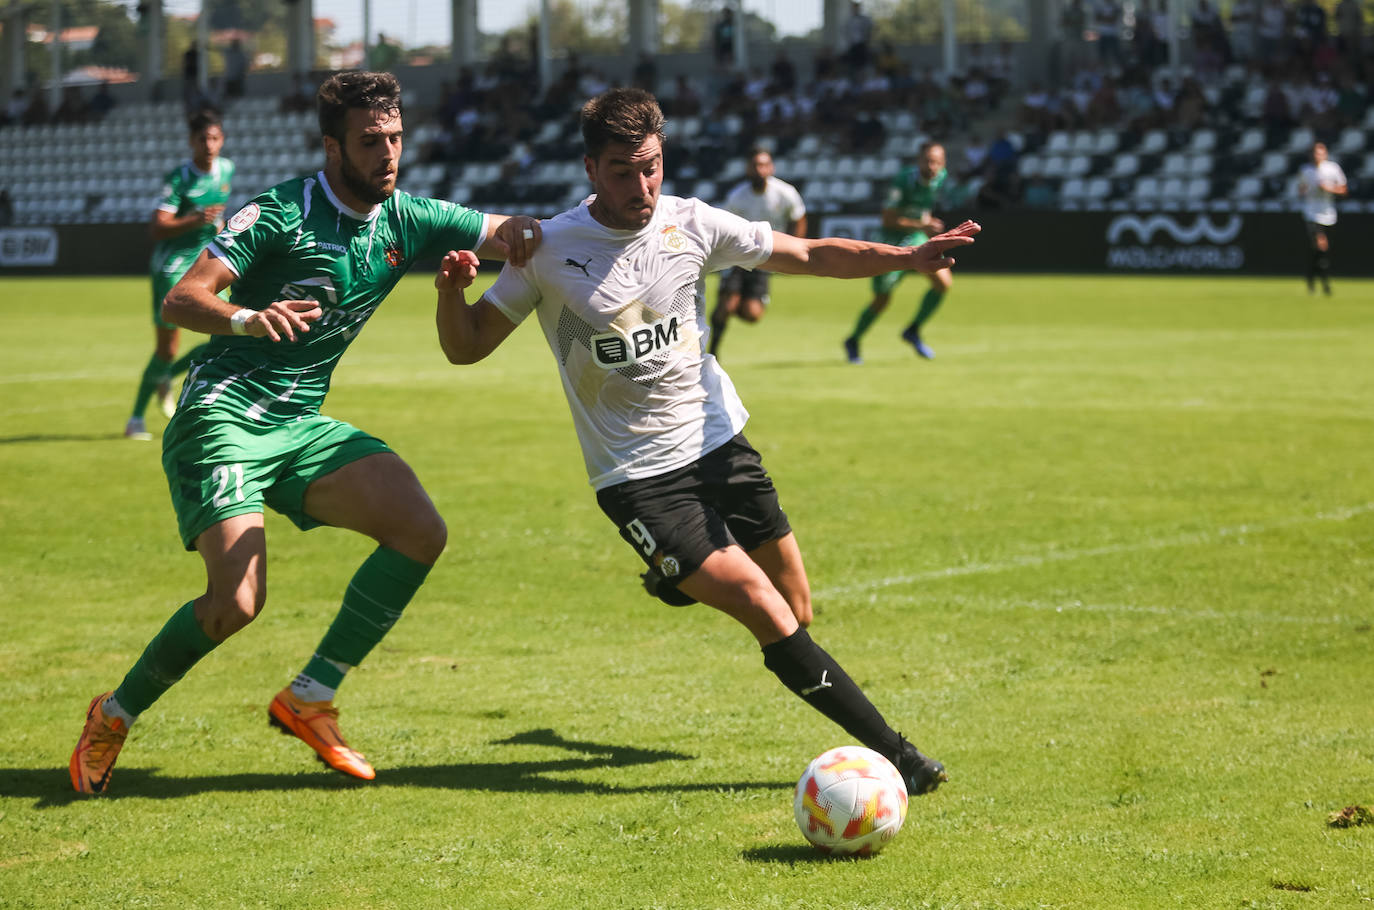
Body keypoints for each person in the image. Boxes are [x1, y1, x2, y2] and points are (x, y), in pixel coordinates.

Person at [430, 88, 979, 797]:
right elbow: (467, 346)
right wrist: (450, 294)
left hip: (720, 443)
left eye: (652, 166)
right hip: (636, 477)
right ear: (591, 168)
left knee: (797, 611)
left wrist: (905, 256)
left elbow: (808, 253)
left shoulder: (692, 225)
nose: (642, 186)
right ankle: (898, 758)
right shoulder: (548, 249)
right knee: (763, 607)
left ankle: (671, 575)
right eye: (623, 171)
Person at [69, 71, 541, 795]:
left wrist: (563, 233)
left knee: (420, 530)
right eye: (369, 142)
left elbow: (508, 236)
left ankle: (311, 695)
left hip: (297, 425)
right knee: (237, 603)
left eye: (394, 138)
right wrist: (246, 318)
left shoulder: (408, 217)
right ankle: (116, 712)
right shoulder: (277, 213)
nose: (387, 155)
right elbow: (182, 297)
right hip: (222, 415)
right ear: (332, 147)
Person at [125, 107, 236, 441]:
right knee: (168, 348)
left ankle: (169, 377)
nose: (209, 144)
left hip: (205, 263)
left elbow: (215, 218)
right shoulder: (179, 178)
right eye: (203, 138)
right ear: (191, 141)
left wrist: (220, 227)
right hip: (171, 266)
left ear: (222, 140)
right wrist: (195, 219)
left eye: (215, 138)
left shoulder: (227, 169)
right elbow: (157, 228)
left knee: (227, 335)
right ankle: (135, 420)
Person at [843, 142, 955, 364]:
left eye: (937, 162)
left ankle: (912, 330)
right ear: (918, 160)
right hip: (890, 239)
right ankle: (853, 340)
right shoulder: (903, 181)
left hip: (916, 237)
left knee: (943, 283)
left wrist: (924, 224)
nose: (932, 166)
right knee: (882, 299)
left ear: (943, 163)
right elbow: (888, 219)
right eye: (927, 160)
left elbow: (923, 206)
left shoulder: (941, 177)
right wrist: (921, 224)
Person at [708, 148, 806, 359]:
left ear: (771, 168)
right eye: (755, 165)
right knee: (726, 305)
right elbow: (723, 228)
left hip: (765, 258)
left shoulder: (785, 192)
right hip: (737, 257)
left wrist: (794, 246)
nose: (759, 170)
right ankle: (714, 350)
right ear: (748, 169)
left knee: (753, 315)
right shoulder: (737, 196)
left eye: (763, 165)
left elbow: (799, 217)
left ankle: (733, 301)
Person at [1297, 141, 1347, 295]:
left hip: (1329, 214)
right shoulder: (1306, 171)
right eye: (1314, 153)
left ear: (1325, 154)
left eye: (1320, 152)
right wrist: (1305, 191)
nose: (1317, 156)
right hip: (1312, 214)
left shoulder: (1333, 169)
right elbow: (1301, 189)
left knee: (1319, 251)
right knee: (1321, 245)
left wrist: (1329, 188)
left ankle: (1311, 279)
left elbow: (1344, 189)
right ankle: (1326, 285)